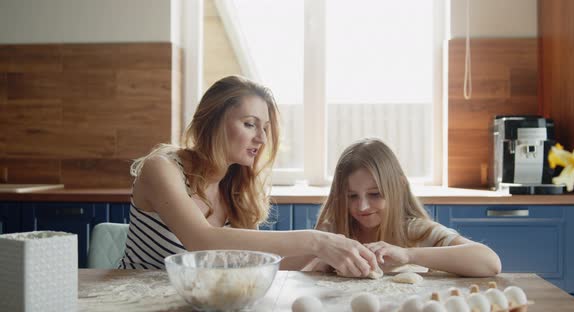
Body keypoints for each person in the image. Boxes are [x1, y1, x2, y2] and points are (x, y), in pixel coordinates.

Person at [118, 75, 377, 277]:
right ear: (213, 122)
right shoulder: (161, 168)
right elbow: (202, 240)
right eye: (250, 124)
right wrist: (315, 240)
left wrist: (324, 253)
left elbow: (253, 262)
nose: (262, 139)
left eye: (264, 128)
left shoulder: (235, 189)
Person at [282, 138, 501, 277]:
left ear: (399, 187)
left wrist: (408, 255)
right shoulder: (333, 234)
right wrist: (316, 262)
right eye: (351, 196)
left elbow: (490, 263)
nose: (363, 206)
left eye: (375, 194)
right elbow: (278, 270)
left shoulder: (417, 231)